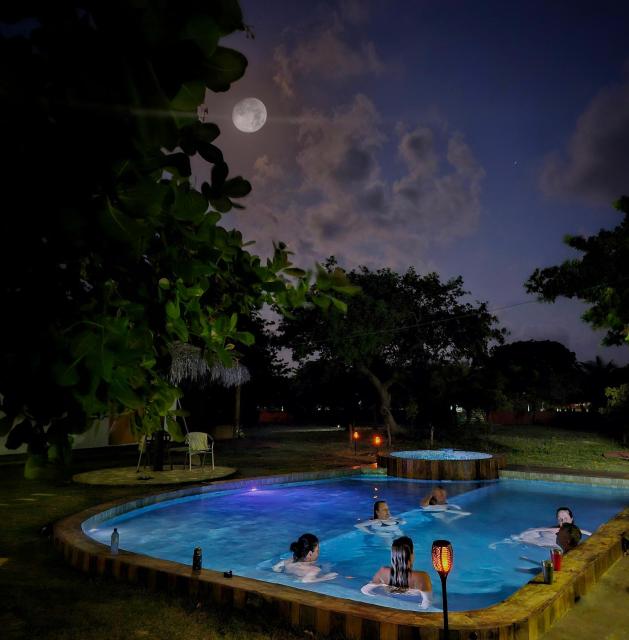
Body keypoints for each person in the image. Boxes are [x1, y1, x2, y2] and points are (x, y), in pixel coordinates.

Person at [361, 536, 433, 609]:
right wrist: (421, 607)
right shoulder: (421, 577)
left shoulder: (383, 572)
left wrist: (374, 595)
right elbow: (427, 603)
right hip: (411, 600)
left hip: (389, 596)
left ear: (393, 556)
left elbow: (365, 590)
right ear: (412, 555)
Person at [272, 533, 337, 583]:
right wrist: (325, 578)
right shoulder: (314, 570)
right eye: (317, 551)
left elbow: (275, 568)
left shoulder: (287, 561)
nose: (318, 553)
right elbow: (306, 580)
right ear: (310, 554)